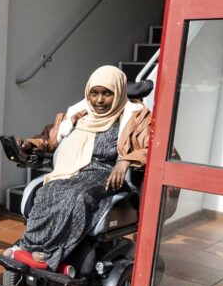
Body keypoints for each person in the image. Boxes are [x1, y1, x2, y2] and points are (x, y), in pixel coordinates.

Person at [8, 65, 151, 271]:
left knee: (79, 197)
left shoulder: (136, 119)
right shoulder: (80, 114)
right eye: (94, 93)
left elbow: (156, 148)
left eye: (107, 94)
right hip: (77, 171)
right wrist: (32, 142)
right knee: (48, 190)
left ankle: (50, 254)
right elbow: (53, 136)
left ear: (119, 93)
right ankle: (29, 247)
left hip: (108, 175)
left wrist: (126, 160)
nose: (99, 100)